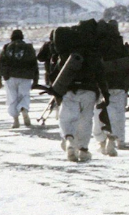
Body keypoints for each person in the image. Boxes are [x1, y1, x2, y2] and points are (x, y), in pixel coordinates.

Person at [40, 20, 108, 163]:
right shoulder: (93, 52)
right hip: (89, 91)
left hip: (69, 90)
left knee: (66, 118)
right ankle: (83, 150)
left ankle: (69, 139)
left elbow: (55, 73)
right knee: (85, 120)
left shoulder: (66, 53)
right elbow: (101, 75)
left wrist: (56, 90)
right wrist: (105, 94)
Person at [94, 19, 129, 157]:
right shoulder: (122, 47)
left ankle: (101, 141)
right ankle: (116, 140)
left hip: (100, 86)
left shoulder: (95, 47)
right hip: (119, 85)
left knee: (98, 114)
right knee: (118, 114)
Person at [0, 29, 39, 128]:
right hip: (26, 76)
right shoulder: (29, 48)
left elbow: (0, 63)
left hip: (10, 77)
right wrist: (35, 80)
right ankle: (23, 109)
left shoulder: (7, 47)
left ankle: (15, 120)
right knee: (24, 95)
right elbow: (34, 64)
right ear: (22, 37)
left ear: (12, 37)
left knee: (12, 98)